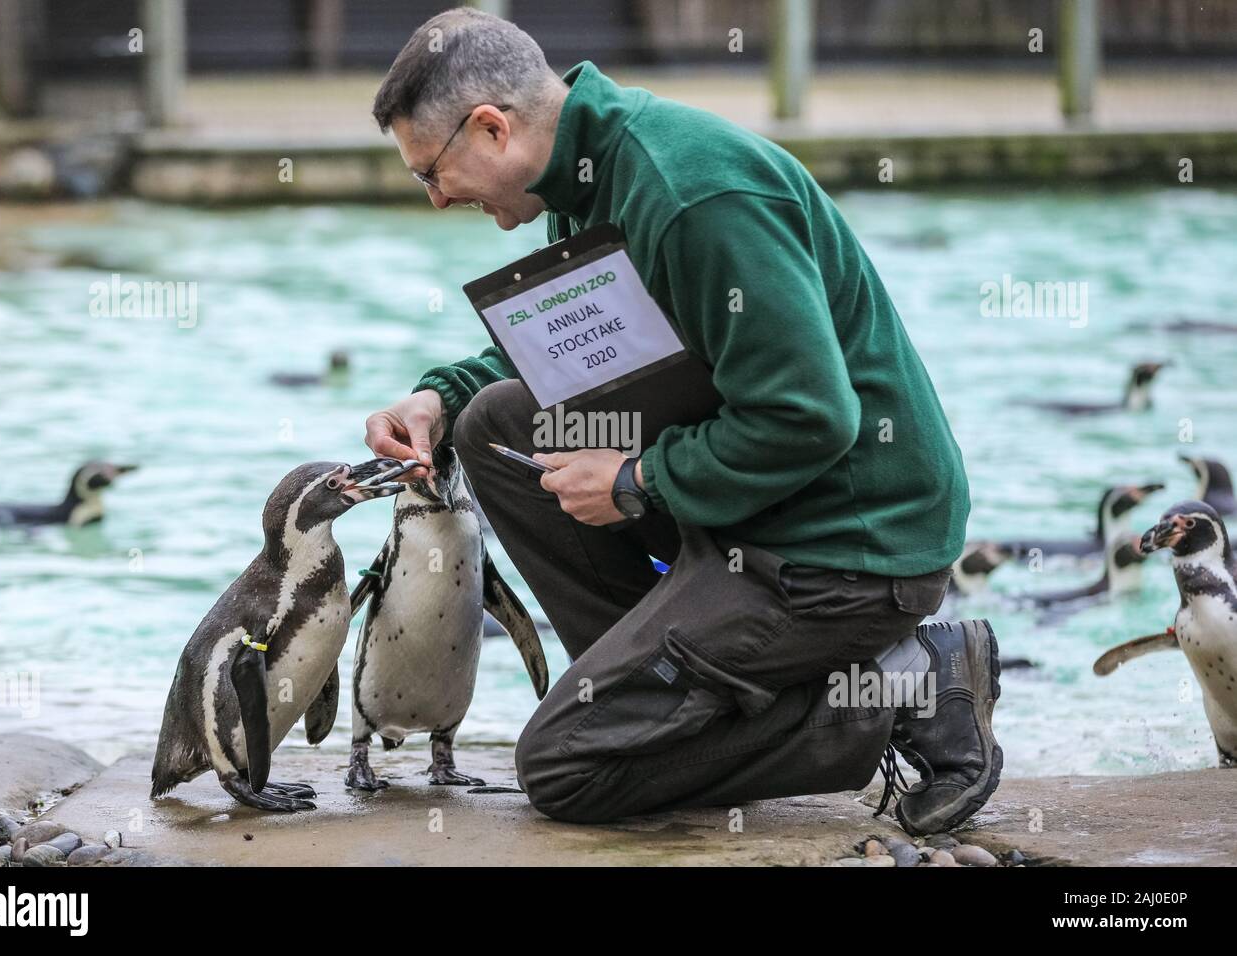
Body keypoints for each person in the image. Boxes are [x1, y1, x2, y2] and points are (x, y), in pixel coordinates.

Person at [362, 7, 1001, 836]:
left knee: (565, 767)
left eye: (431, 174)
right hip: (748, 515)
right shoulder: (584, 173)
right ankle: (665, 696)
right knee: (494, 424)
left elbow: (809, 418)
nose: (438, 199)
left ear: (491, 129)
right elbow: (576, 356)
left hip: (842, 551)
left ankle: (911, 691)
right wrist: (439, 399)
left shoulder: (690, 194)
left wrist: (636, 482)